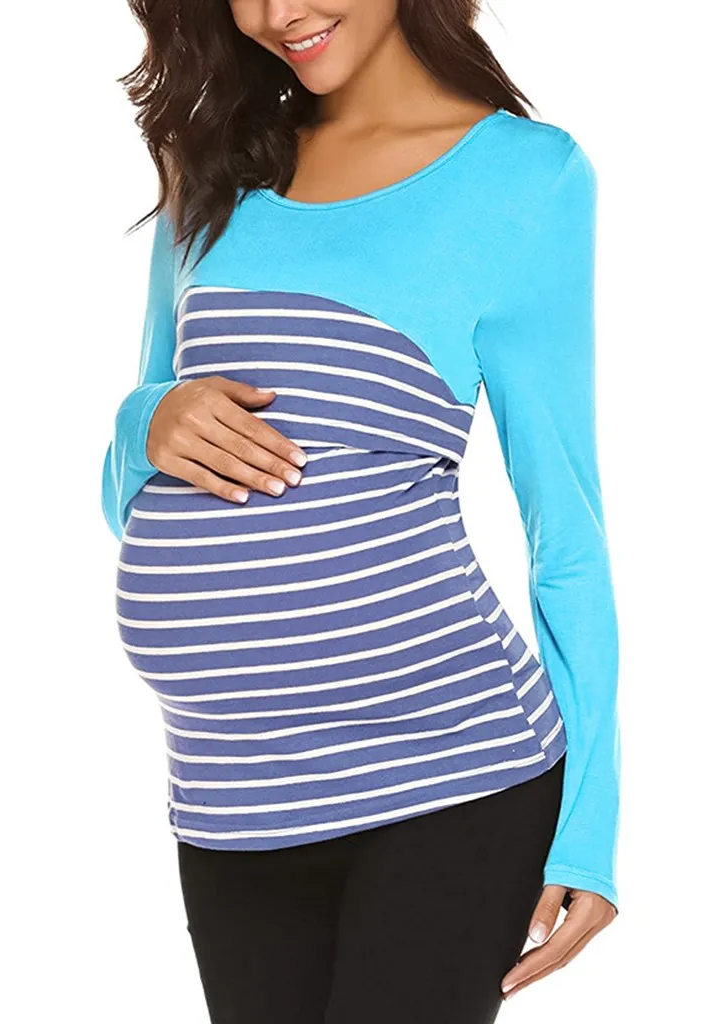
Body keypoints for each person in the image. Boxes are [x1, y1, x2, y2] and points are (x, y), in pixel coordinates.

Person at [101, 2, 620, 1021]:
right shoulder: (212, 168)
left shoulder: (525, 179)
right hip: (229, 797)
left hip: (448, 778)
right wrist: (144, 421)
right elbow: (134, 494)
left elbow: (566, 531)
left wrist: (589, 829)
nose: (275, 13)